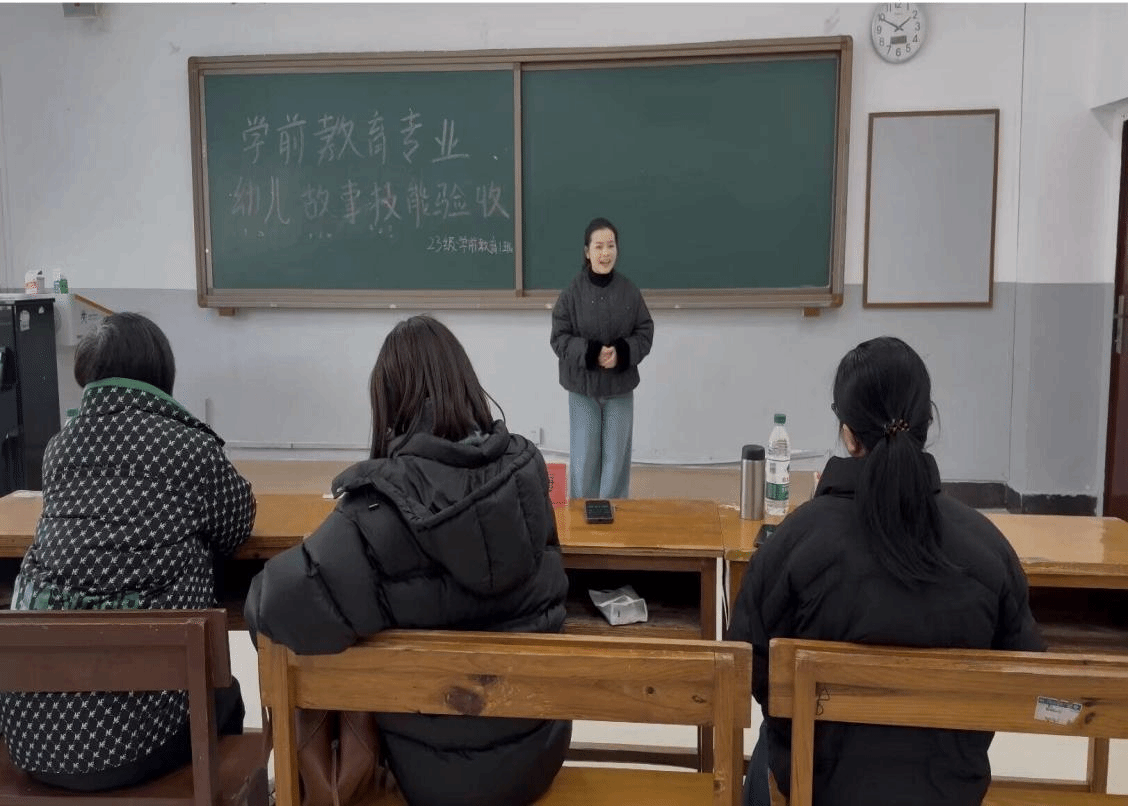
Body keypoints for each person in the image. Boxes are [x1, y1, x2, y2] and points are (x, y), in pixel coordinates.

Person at [244, 314, 571, 806]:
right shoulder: (527, 474)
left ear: (389, 404)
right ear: (465, 384)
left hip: (432, 780)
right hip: (539, 756)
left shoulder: (375, 510)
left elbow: (274, 608)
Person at [728, 336, 1044, 806]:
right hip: (948, 793)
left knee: (762, 755)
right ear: (926, 423)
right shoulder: (988, 548)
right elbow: (1027, 680)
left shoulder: (794, 542)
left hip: (819, 791)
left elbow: (746, 670)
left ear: (848, 433)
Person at [0, 312, 255, 791]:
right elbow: (238, 523)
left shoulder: (59, 449)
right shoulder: (191, 450)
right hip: (132, 743)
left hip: (32, 739)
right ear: (160, 373)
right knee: (226, 696)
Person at [550, 216, 653, 500]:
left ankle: (615, 517)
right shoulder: (571, 294)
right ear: (587, 252)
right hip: (583, 390)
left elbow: (645, 332)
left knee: (616, 461)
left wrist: (622, 352)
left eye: (611, 246)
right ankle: (583, 517)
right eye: (598, 246)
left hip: (620, 389)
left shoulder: (629, 291)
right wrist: (592, 353)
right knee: (584, 459)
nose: (605, 253)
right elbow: (559, 338)